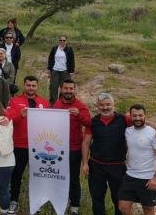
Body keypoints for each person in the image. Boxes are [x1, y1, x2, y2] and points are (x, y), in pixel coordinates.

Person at [81, 93, 156, 215]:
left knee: (118, 200)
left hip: (117, 166)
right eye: (102, 105)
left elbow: (141, 120)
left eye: (108, 104)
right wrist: (85, 163)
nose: (105, 107)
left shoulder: (123, 119)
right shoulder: (92, 122)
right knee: (97, 198)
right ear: (97, 106)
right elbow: (86, 142)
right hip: (96, 165)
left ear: (113, 105)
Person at [5, 75, 50, 214]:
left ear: (37, 86)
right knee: (16, 174)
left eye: (33, 85)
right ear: (24, 85)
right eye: (28, 85)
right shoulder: (15, 101)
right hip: (19, 145)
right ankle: (14, 201)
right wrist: (21, 116)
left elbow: (50, 123)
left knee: (37, 175)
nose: (31, 88)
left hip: (38, 147)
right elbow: (8, 119)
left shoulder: (44, 102)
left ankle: (37, 203)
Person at [51, 79, 91, 214]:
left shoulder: (81, 105)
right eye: (66, 88)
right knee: (59, 176)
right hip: (57, 148)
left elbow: (89, 123)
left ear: (75, 89)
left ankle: (75, 205)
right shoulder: (56, 104)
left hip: (74, 148)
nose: (68, 91)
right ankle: (61, 200)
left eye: (71, 89)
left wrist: (79, 115)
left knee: (73, 178)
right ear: (61, 89)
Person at [119, 104, 156, 215]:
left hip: (148, 178)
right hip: (130, 175)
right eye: (134, 116)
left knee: (148, 210)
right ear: (130, 116)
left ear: (145, 116)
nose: (137, 118)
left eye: (140, 115)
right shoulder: (128, 131)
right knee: (123, 207)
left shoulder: (154, 134)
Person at [46, 36, 75, 104]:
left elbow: (72, 60)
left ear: (66, 41)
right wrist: (49, 69)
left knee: (64, 88)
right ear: (59, 41)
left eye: (64, 40)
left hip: (65, 71)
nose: (62, 42)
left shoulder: (69, 49)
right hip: (55, 70)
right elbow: (50, 58)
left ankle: (62, 102)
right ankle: (53, 103)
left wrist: (71, 71)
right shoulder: (55, 48)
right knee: (53, 87)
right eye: (61, 40)